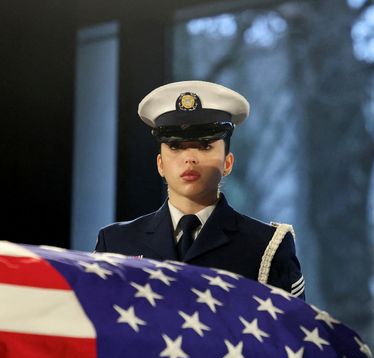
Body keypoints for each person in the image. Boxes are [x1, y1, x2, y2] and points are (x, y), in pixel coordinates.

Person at [95, 80, 305, 299]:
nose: (189, 158)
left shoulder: (265, 247)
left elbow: (292, 330)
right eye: (175, 147)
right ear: (160, 164)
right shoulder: (116, 243)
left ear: (228, 163)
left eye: (205, 146)